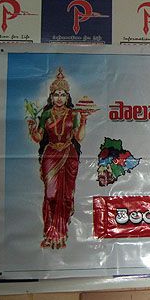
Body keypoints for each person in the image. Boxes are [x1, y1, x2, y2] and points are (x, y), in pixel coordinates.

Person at [27, 67, 88, 249]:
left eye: (62, 94)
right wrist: (31, 128)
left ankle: (61, 234)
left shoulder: (73, 114)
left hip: (69, 155)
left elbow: (79, 137)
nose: (59, 98)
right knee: (51, 194)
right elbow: (38, 137)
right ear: (51, 97)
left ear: (67, 97)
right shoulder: (46, 114)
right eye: (56, 95)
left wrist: (84, 121)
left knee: (66, 195)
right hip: (51, 155)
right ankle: (49, 232)